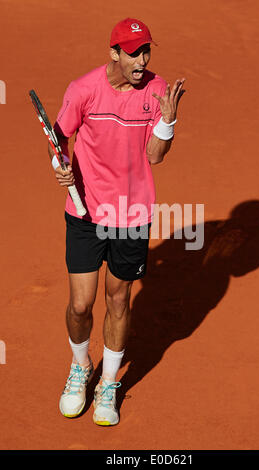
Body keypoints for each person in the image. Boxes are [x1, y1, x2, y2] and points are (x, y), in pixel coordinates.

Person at [48, 17, 185, 426]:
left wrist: (168, 121)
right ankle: (80, 368)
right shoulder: (83, 89)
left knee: (119, 299)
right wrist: (62, 167)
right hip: (87, 210)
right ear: (114, 53)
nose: (142, 60)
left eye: (146, 51)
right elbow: (60, 140)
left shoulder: (157, 91)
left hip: (132, 214)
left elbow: (156, 155)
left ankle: (108, 383)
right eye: (133, 53)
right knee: (79, 303)